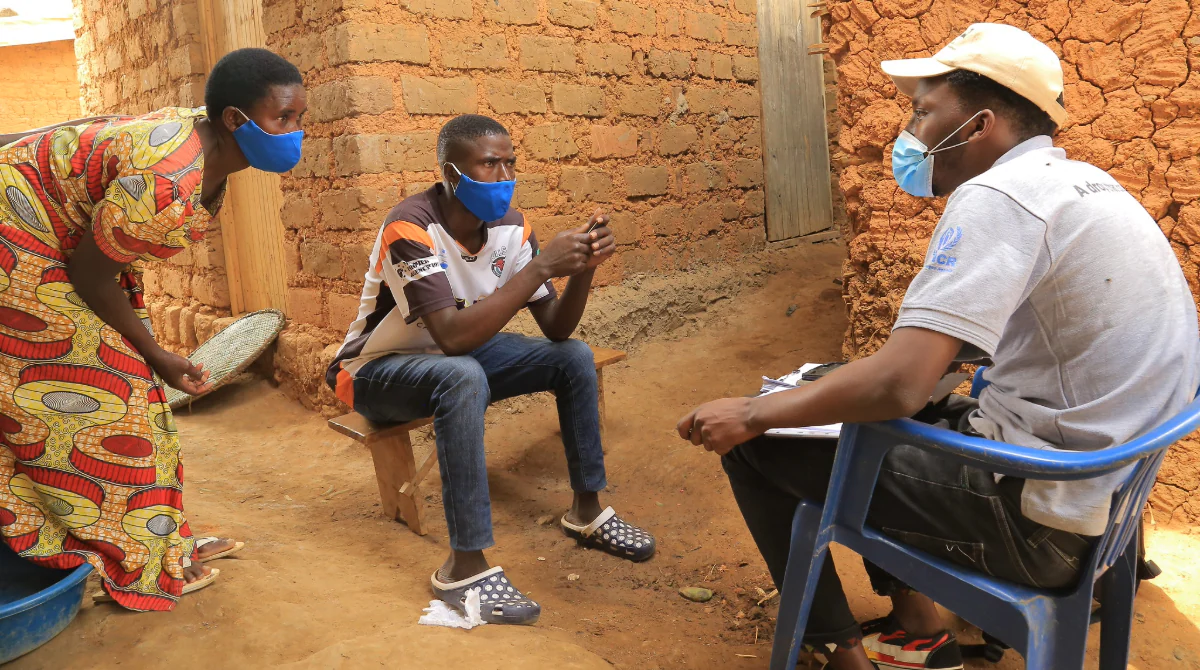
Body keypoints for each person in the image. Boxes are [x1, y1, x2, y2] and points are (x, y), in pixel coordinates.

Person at [677, 23, 1199, 670]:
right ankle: (915, 627)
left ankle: (839, 653)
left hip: (1037, 520)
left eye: (924, 111)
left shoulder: (996, 196)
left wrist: (750, 414)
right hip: (1107, 497)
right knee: (849, 390)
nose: (910, 131)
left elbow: (898, 385)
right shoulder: (1089, 187)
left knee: (766, 440)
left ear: (978, 126)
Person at [0, 48, 308, 611]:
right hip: (17, 243)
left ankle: (161, 539)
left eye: (299, 117)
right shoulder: (167, 183)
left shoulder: (203, 142)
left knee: (134, 392)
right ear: (235, 120)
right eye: (283, 118)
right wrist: (158, 353)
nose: (296, 132)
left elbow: (84, 135)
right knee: (101, 400)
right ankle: (128, 556)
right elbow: (91, 276)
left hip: (56, 237)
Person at [327, 114, 655, 625]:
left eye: (510, 163)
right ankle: (464, 564)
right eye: (488, 163)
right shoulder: (409, 227)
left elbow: (558, 331)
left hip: (458, 357)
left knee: (574, 358)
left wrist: (581, 270)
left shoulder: (514, 228)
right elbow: (452, 337)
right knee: (463, 374)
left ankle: (587, 512)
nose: (503, 175)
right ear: (452, 173)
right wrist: (541, 268)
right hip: (377, 369)